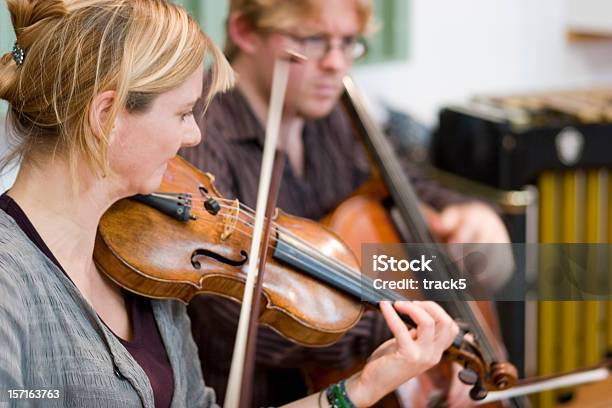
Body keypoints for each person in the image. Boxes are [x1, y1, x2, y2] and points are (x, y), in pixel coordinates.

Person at [0, 0, 459, 407]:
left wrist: (359, 389)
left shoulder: (148, 264)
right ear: (106, 116)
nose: (193, 136)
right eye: (182, 113)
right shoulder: (10, 283)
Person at [180, 0, 513, 406]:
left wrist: (473, 215)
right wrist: (409, 328)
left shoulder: (336, 117)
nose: (336, 63)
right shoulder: (196, 133)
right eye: (313, 40)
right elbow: (230, 307)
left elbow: (407, 185)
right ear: (245, 32)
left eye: (348, 42)